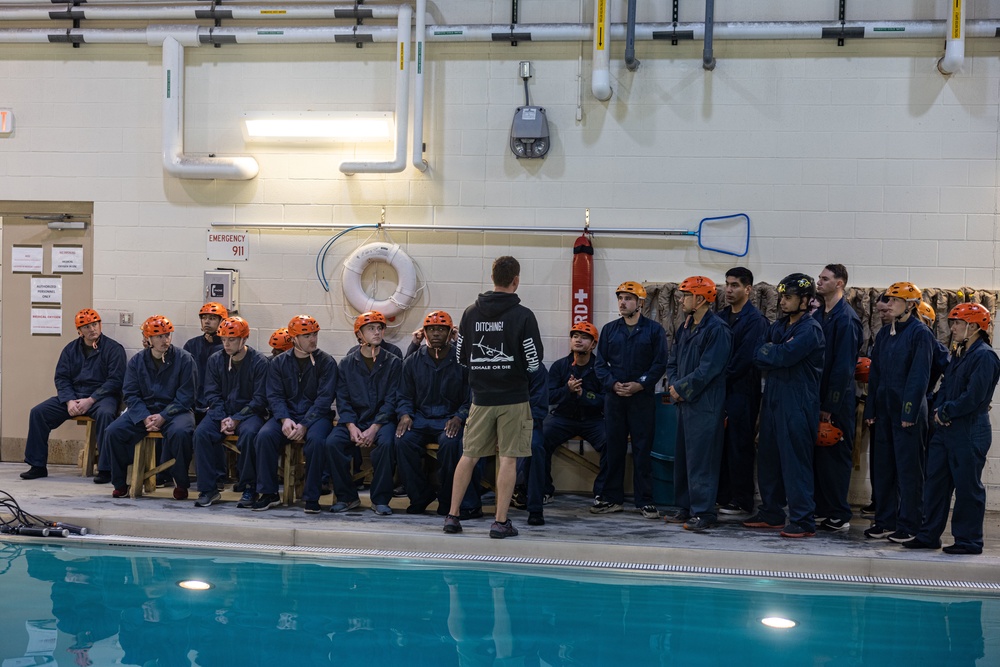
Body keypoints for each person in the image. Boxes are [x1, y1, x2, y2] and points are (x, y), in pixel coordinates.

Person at [443, 256, 544, 538]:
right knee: (509, 459)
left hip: (481, 399)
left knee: (468, 456)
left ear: (492, 278)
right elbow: (534, 362)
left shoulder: (469, 313)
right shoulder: (524, 316)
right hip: (513, 398)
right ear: (516, 280)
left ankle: (452, 516)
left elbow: (461, 358)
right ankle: (500, 522)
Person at [903, 303, 1000, 555]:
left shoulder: (985, 356)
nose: (952, 327)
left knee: (967, 487)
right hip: (946, 429)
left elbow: (974, 397)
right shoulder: (960, 353)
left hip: (969, 430)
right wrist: (937, 410)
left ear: (974, 326)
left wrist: (948, 411)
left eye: (957, 322)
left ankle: (968, 541)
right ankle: (928, 535)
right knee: (936, 482)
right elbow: (946, 387)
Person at [744, 273, 824, 538]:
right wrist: (774, 353)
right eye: (781, 297)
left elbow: (785, 356)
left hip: (798, 403)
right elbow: (757, 355)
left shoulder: (810, 329)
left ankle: (802, 519)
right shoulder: (779, 326)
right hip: (774, 401)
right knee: (768, 458)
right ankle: (772, 512)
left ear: (804, 300)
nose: (782, 302)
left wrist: (774, 352)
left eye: (788, 297)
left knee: (795, 463)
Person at [863, 282, 935, 543]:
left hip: (908, 416)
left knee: (909, 471)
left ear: (910, 305)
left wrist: (909, 413)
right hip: (884, 413)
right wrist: (871, 408)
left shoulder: (920, 334)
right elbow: (876, 375)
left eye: (895, 300)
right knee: (883, 470)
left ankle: (910, 524)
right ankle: (884, 521)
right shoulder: (884, 334)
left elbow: (919, 377)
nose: (888, 304)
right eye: (888, 299)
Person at [20, 309, 127, 482]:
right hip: (74, 395)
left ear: (100, 325)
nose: (92, 329)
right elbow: (62, 378)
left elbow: (115, 381)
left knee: (106, 414)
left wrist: (91, 400)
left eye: (95, 324)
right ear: (79, 331)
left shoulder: (114, 349)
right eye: (86, 326)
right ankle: (37, 465)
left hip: (101, 397)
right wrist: (69, 401)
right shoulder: (70, 349)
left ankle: (106, 469)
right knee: (38, 412)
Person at [662, 276, 732, 532]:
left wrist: (680, 389)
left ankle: (703, 511)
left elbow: (708, 370)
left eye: (685, 295)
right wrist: (674, 384)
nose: (681, 299)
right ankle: (684, 506)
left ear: (700, 299)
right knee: (683, 457)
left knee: (702, 460)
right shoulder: (685, 327)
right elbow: (673, 360)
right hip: (685, 403)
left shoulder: (718, 330)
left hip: (705, 406)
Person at [592, 281, 668, 518]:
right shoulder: (609, 330)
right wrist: (613, 384)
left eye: (628, 298)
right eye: (620, 298)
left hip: (641, 400)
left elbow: (659, 364)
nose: (622, 302)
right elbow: (600, 364)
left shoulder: (654, 331)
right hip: (614, 399)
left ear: (640, 303)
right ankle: (611, 498)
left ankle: (645, 500)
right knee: (613, 449)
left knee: (642, 449)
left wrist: (640, 384)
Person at [105, 316, 197, 499]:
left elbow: (187, 396)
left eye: (167, 335)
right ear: (148, 339)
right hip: (144, 410)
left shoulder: (185, 359)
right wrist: (144, 417)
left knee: (182, 432)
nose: (165, 340)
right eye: (159, 336)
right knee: (113, 431)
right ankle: (120, 483)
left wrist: (163, 415)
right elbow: (130, 393)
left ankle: (181, 483)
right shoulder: (137, 361)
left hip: (175, 410)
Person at [252, 314, 337, 511]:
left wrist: (305, 424)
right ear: (294, 339)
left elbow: (325, 399)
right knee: (264, 436)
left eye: (315, 334)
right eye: (307, 335)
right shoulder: (278, 363)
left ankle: (312, 497)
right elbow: (274, 395)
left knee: (317, 442)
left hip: (316, 417)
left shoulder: (326, 362)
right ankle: (269, 493)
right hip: (286, 415)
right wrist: (284, 419)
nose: (313, 339)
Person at [394, 310, 475, 516]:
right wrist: (405, 414)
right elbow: (403, 395)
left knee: (450, 444)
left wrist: (459, 417)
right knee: (402, 441)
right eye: (432, 329)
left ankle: (447, 501)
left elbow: (471, 398)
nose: (436, 333)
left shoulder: (462, 361)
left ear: (450, 333)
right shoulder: (413, 361)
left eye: (441, 329)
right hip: (420, 419)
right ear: (425, 333)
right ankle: (420, 496)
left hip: (448, 420)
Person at [327, 311, 401, 515]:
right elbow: (342, 399)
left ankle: (380, 499)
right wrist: (351, 426)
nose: (377, 332)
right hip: (354, 421)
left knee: (387, 443)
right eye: (371, 329)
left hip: (382, 422)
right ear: (359, 335)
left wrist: (374, 428)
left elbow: (392, 400)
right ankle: (347, 497)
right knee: (333, 443)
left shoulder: (394, 363)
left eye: (380, 328)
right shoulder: (347, 364)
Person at [192, 316, 269, 507]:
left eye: (231, 339)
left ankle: (249, 487)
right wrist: (222, 417)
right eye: (224, 339)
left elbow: (260, 399)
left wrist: (236, 419)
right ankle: (208, 489)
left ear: (244, 339)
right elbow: (211, 392)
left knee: (251, 434)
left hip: (250, 413)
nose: (226, 344)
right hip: (222, 413)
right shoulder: (215, 360)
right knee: (201, 433)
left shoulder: (260, 362)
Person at [813, 264, 863, 532]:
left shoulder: (846, 319)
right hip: (818, 398)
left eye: (825, 279)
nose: (818, 282)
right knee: (820, 458)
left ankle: (840, 513)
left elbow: (844, 368)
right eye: (819, 277)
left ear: (840, 284)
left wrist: (829, 407)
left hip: (837, 402)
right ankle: (823, 508)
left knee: (835, 456)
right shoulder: (822, 314)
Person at [716, 267, 768, 515]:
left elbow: (745, 358)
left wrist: (714, 377)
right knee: (721, 444)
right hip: (720, 390)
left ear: (748, 289)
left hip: (742, 390)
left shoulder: (756, 321)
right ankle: (723, 494)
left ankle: (742, 499)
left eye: (734, 285)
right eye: (727, 284)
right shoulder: (720, 316)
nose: (728, 289)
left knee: (740, 444)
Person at [540, 322, 607, 509]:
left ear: (593, 344)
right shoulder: (560, 366)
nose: (578, 340)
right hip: (563, 418)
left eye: (584, 337)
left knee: (611, 442)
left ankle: (602, 494)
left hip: (593, 420)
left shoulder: (601, 369)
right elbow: (548, 396)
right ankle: (544, 490)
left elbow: (606, 400)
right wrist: (567, 390)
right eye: (575, 336)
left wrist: (583, 395)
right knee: (539, 439)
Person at [512, 362, 549, 525]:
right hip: (495, 420)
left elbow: (539, 408)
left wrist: (518, 424)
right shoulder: (496, 364)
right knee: (471, 445)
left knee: (535, 447)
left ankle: (535, 508)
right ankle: (469, 505)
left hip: (527, 423)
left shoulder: (537, 369)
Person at [183, 302, 228, 419]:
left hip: (218, 404)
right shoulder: (191, 345)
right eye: (204, 318)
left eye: (212, 318)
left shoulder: (228, 347)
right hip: (193, 402)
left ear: (222, 321)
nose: (207, 321)